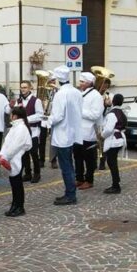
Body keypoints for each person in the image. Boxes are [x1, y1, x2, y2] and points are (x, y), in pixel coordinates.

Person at [47, 66, 83, 205]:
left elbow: (58, 116)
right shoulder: (75, 91)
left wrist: (47, 121)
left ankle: (70, 195)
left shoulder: (61, 94)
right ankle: (70, 192)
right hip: (72, 133)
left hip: (63, 135)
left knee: (66, 166)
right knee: (70, 165)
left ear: (57, 79)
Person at [0, 106, 32, 217]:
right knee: (14, 183)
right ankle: (14, 204)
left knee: (17, 183)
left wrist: (6, 156)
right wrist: (2, 154)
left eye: (11, 114)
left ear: (15, 116)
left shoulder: (21, 128)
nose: (10, 116)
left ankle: (20, 206)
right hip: (11, 157)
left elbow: (15, 145)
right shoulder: (15, 127)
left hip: (18, 157)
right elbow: (7, 142)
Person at [73, 72, 104, 190]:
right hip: (78, 132)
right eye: (80, 81)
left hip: (88, 132)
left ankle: (89, 180)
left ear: (90, 83)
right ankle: (79, 178)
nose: (80, 84)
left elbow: (96, 115)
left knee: (89, 159)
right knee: (77, 157)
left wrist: (79, 111)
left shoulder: (96, 96)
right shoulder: (80, 94)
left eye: (82, 82)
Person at [17, 80, 43, 183]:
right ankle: (27, 173)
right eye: (21, 87)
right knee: (24, 153)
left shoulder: (36, 101)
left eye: (25, 87)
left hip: (33, 131)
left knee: (33, 153)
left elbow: (40, 115)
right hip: (22, 132)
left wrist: (27, 119)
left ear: (30, 88)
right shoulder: (18, 101)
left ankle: (37, 173)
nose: (23, 89)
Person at [102, 94, 127, 194]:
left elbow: (108, 129)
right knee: (112, 162)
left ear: (113, 101)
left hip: (113, 140)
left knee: (111, 162)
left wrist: (102, 136)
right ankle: (116, 181)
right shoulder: (122, 112)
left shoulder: (112, 114)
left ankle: (116, 185)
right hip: (120, 139)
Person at [97, 78, 114, 170]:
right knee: (94, 143)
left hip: (104, 122)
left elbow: (112, 110)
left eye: (106, 85)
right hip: (95, 122)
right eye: (103, 84)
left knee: (102, 144)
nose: (104, 86)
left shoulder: (109, 95)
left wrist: (109, 105)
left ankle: (102, 161)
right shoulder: (95, 95)